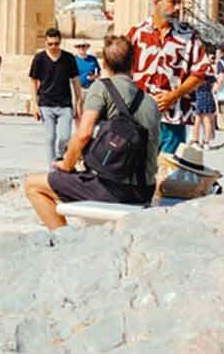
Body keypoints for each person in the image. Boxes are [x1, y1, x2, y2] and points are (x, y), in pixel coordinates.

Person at [24, 35, 159, 229]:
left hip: (114, 189)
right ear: (134, 62)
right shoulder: (150, 101)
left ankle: (65, 240)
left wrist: (66, 165)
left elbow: (83, 134)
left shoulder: (102, 88)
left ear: (104, 63)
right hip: (145, 189)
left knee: (33, 185)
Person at [127, 0, 209, 154]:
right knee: (139, 170)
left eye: (180, 3)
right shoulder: (137, 33)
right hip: (140, 114)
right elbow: (123, 70)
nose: (179, 8)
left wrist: (174, 95)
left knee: (168, 171)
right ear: (157, 3)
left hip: (175, 117)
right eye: (173, 2)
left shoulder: (189, 37)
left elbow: (201, 72)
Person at [29, 28, 81, 163]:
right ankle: (52, 167)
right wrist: (34, 104)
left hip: (65, 104)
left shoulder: (69, 58)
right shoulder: (39, 58)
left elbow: (75, 81)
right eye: (50, 44)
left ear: (60, 42)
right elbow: (33, 81)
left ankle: (59, 154)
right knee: (50, 137)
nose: (53, 47)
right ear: (45, 43)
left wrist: (79, 102)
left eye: (56, 44)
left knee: (64, 136)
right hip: (46, 103)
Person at [190, 47, 218, 148]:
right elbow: (215, 86)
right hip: (208, 95)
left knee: (197, 120)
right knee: (208, 121)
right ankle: (206, 142)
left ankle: (195, 141)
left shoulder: (198, 69)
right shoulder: (210, 70)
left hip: (199, 95)